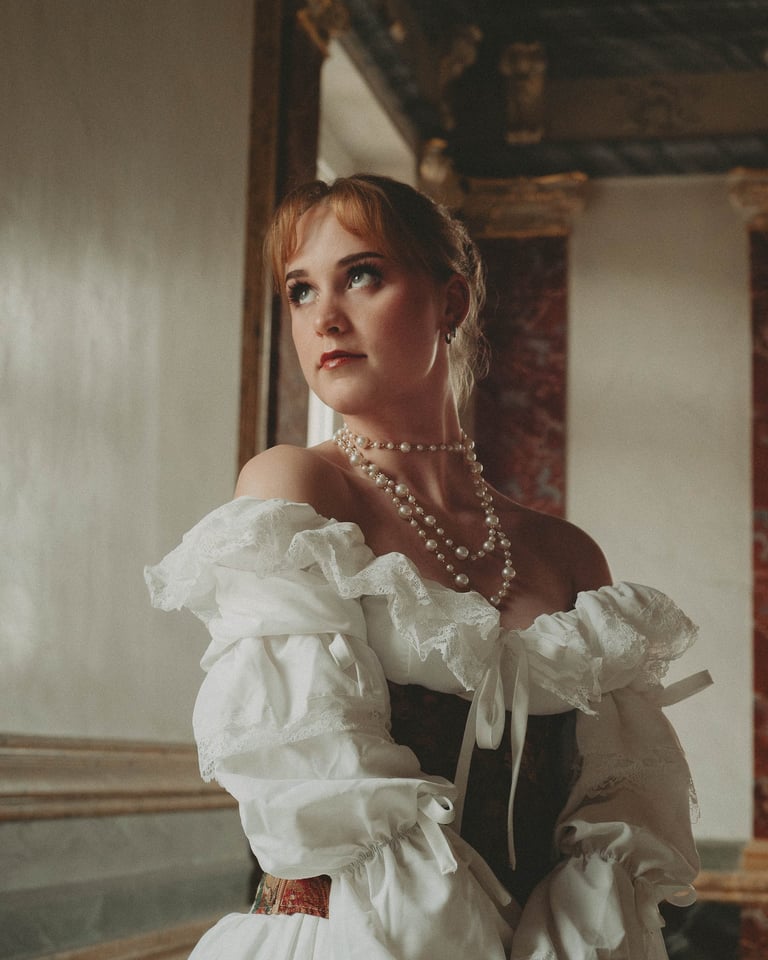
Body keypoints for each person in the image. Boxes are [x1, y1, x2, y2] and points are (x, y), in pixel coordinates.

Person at [145, 174, 712, 959]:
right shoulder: (296, 491)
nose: (325, 317)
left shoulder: (566, 553)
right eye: (301, 290)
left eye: (361, 276)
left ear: (451, 302)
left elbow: (616, 815)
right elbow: (323, 779)